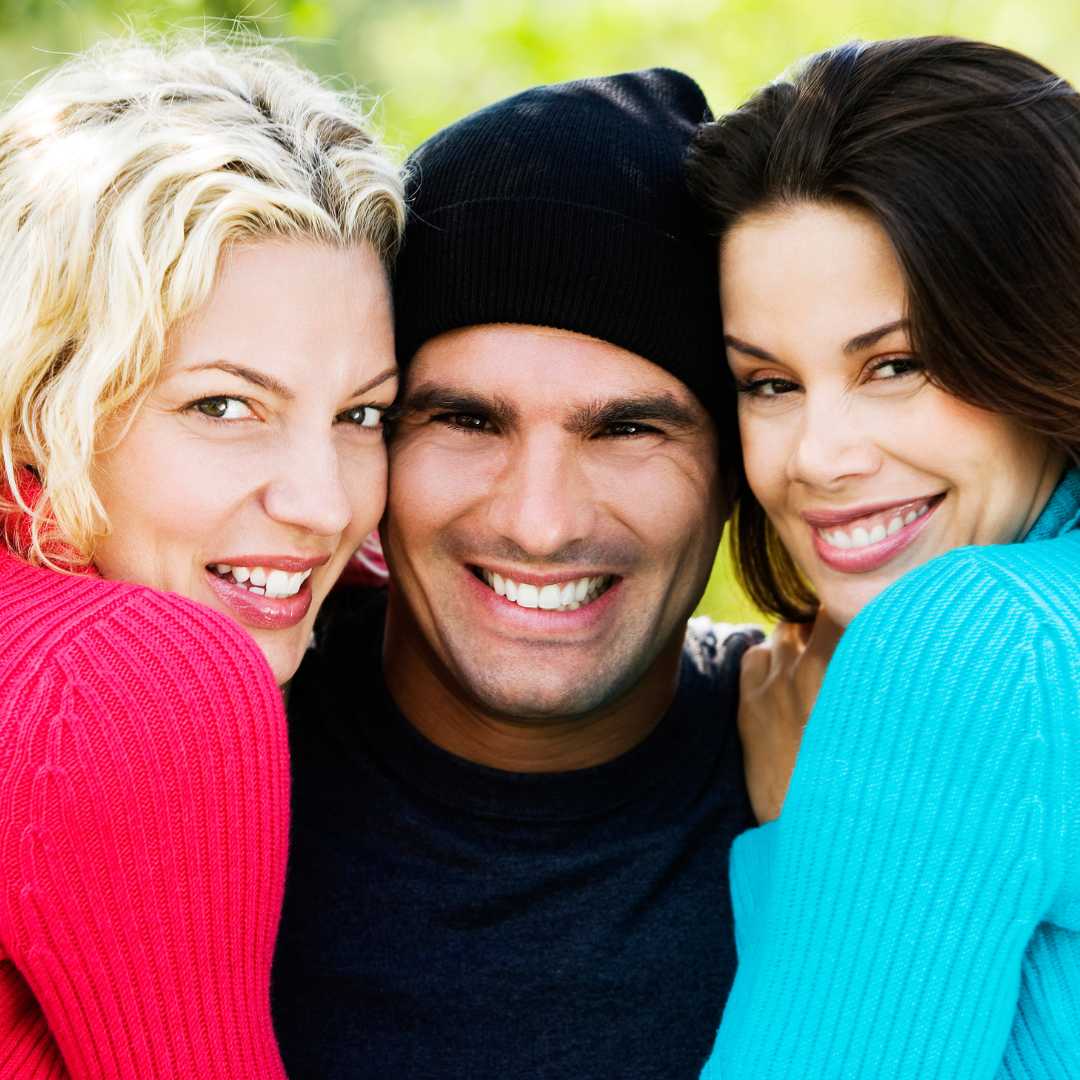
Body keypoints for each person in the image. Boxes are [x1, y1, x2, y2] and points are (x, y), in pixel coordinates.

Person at [273, 68, 758, 1080]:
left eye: (629, 429)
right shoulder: (190, 757)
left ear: (737, 472)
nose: (540, 524)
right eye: (464, 419)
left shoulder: (852, 792)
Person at [0, 39, 404, 1077]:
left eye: (363, 414)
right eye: (225, 405)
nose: (321, 507)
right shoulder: (137, 676)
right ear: (46, 405)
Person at [686, 36, 1080, 1077]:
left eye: (896, 364)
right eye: (767, 382)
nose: (818, 458)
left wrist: (805, 834)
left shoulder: (975, 640)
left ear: (1039, 336)